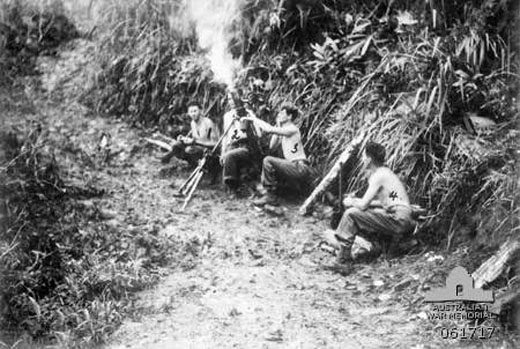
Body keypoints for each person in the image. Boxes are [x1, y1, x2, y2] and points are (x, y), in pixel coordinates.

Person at [323, 142, 416, 274]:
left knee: (351, 214)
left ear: (369, 159)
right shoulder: (387, 173)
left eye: (363, 156)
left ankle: (343, 261)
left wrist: (350, 201)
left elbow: (363, 205)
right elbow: (390, 200)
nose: (362, 159)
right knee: (361, 211)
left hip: (398, 218)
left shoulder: (377, 176)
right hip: (403, 216)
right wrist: (357, 201)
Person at [241, 104, 315, 206]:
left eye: (282, 113)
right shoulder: (284, 131)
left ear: (289, 117)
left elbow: (268, 129)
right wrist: (278, 126)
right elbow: (272, 146)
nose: (279, 114)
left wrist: (253, 119)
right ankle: (274, 194)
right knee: (269, 161)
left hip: (300, 167)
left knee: (268, 160)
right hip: (292, 167)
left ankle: (270, 196)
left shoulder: (293, 129)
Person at [220, 94, 262, 193]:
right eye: (229, 99)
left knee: (229, 156)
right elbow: (225, 136)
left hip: (246, 146)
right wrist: (222, 151)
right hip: (231, 145)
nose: (232, 102)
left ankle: (233, 188)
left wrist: (246, 120)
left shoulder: (248, 113)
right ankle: (233, 186)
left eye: (234, 98)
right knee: (226, 156)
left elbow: (258, 133)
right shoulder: (227, 116)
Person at [161, 102, 220, 167]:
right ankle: (193, 164)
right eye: (191, 112)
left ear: (200, 111)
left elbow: (215, 144)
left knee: (189, 149)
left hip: (209, 152)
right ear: (188, 113)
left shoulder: (208, 123)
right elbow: (194, 138)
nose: (193, 114)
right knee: (176, 145)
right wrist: (183, 138)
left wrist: (194, 142)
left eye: (195, 111)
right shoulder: (193, 123)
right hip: (197, 149)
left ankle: (204, 166)